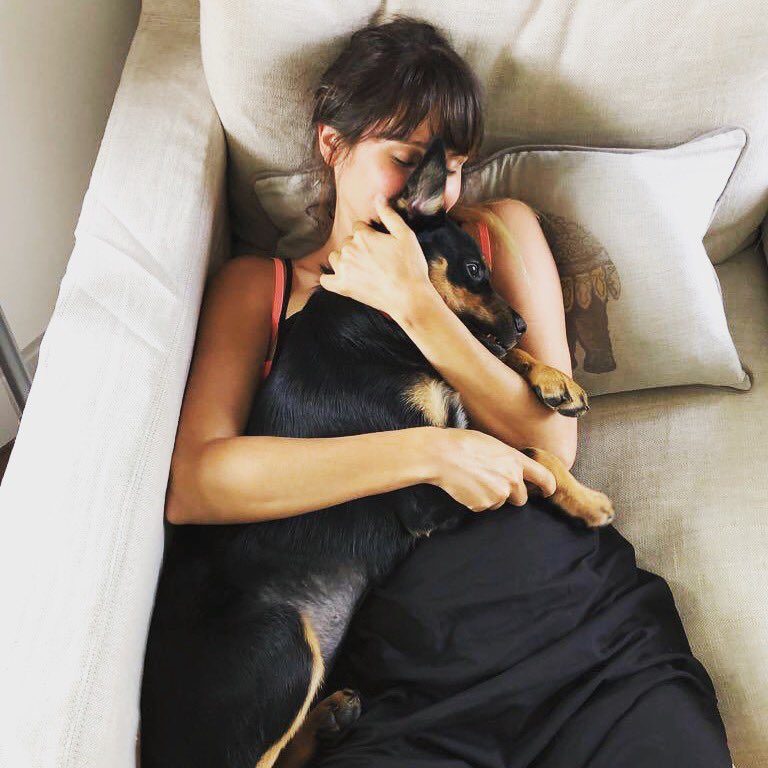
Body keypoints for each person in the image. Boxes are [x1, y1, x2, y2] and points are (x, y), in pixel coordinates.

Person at [164, 14, 735, 768]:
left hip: (578, 632)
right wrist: (429, 451)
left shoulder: (499, 234)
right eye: (406, 159)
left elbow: (551, 439)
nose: (435, 188)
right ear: (333, 145)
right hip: (396, 689)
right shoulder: (264, 288)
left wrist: (417, 304)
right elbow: (196, 485)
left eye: (456, 165)